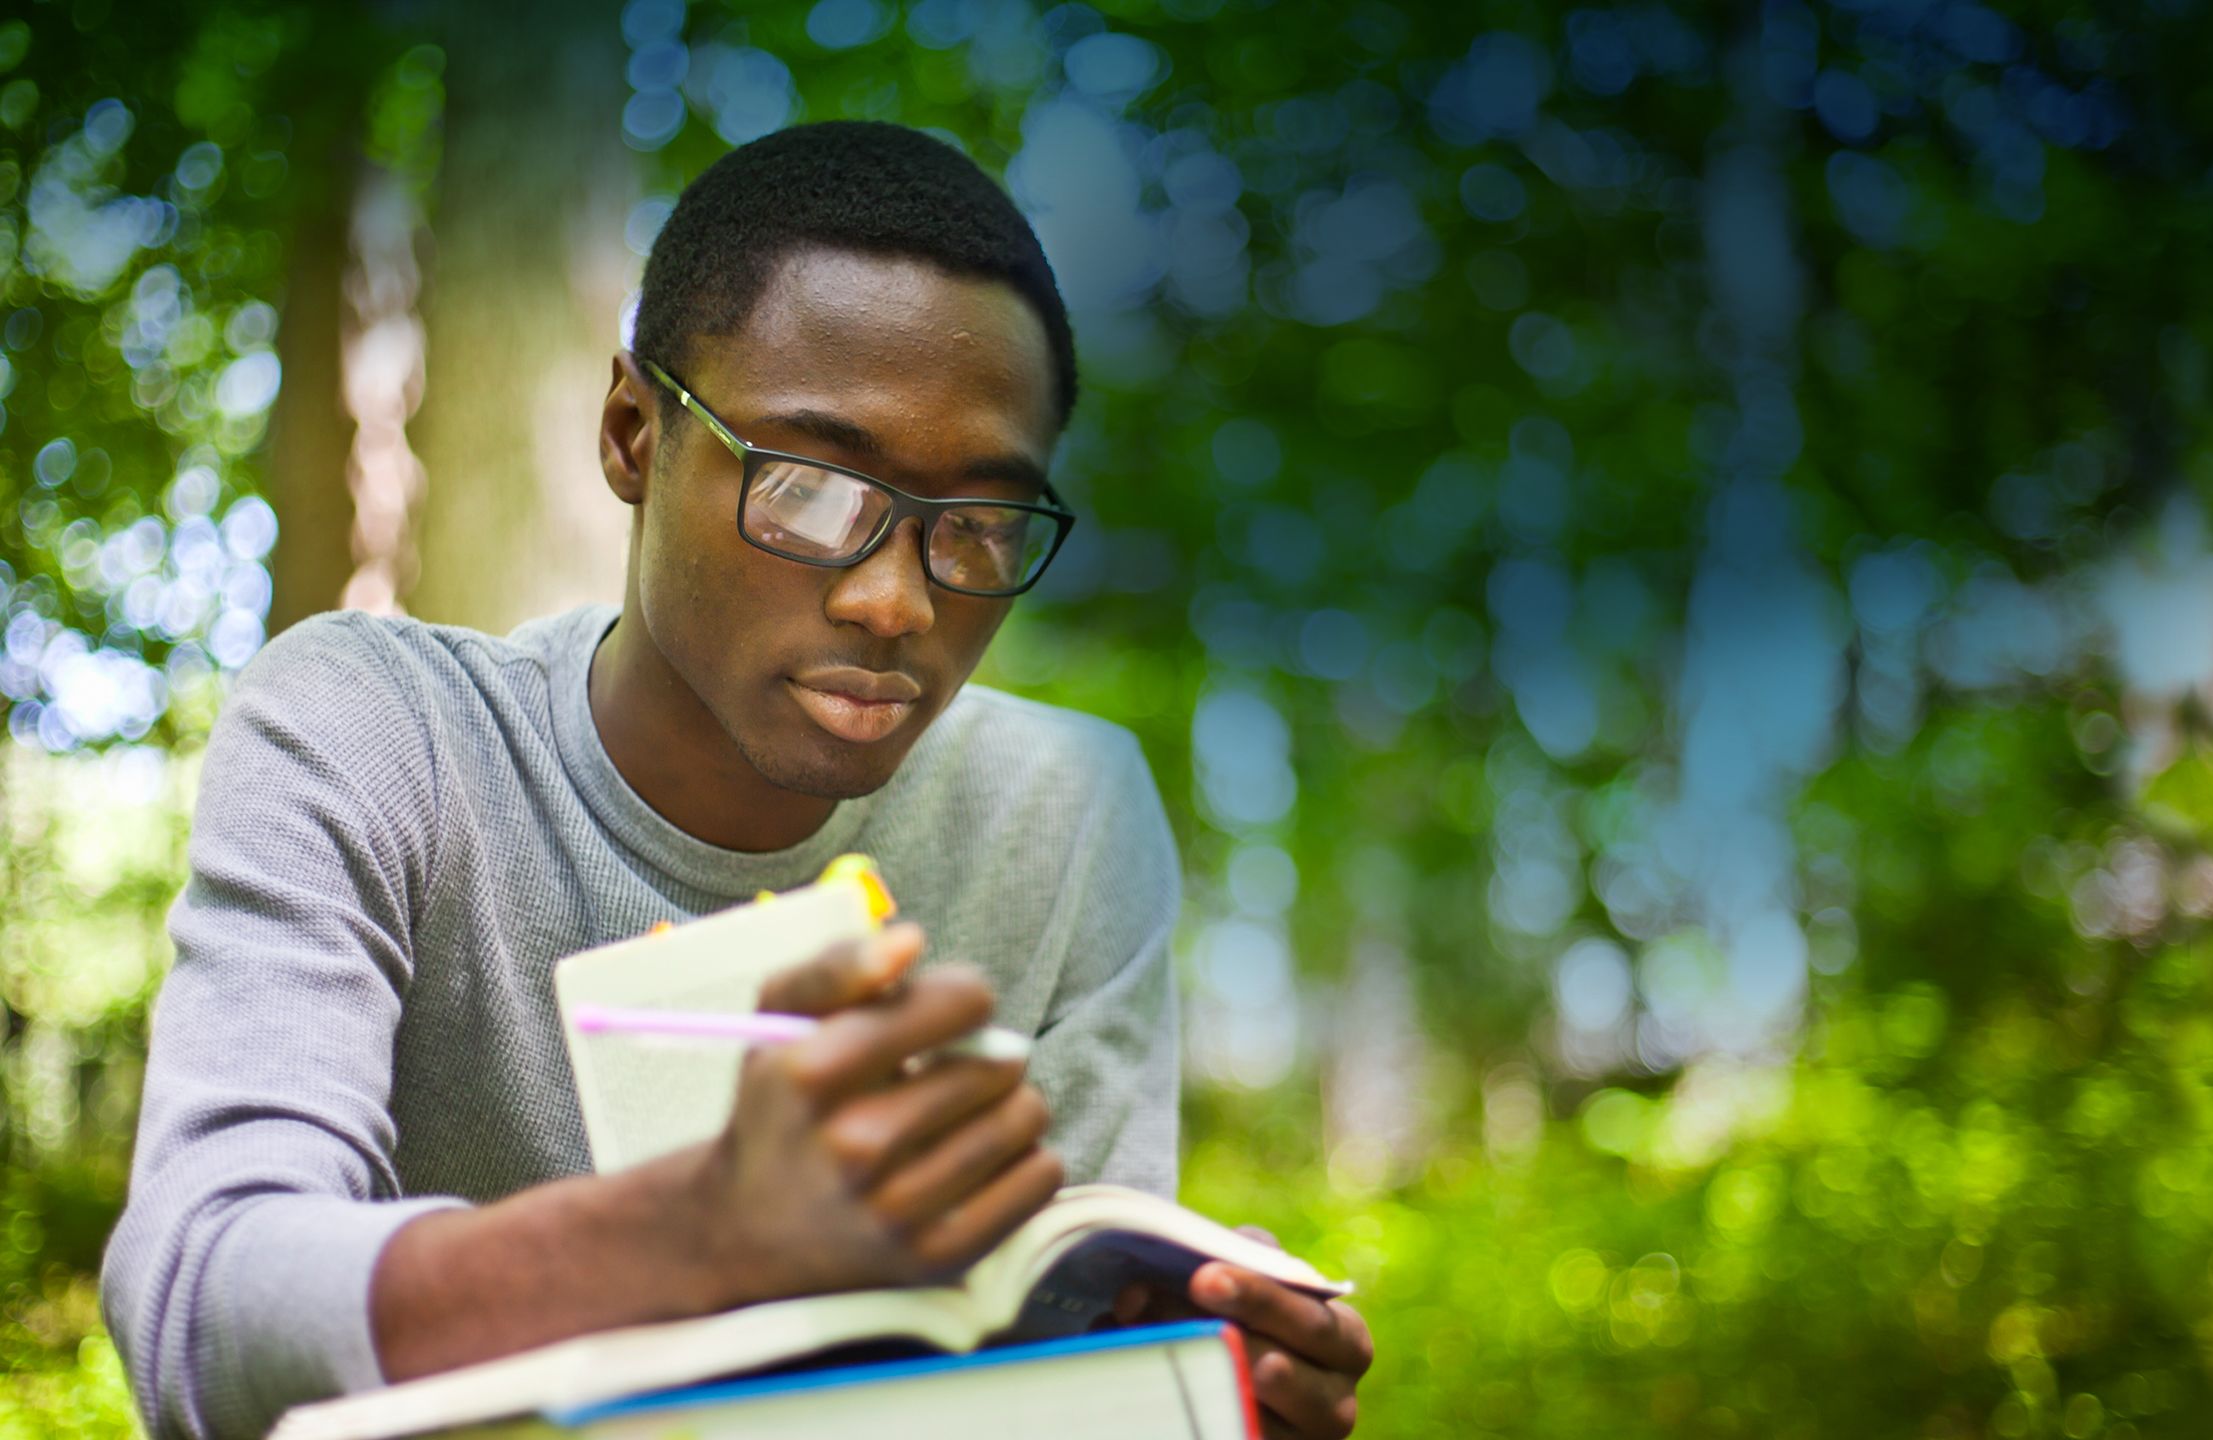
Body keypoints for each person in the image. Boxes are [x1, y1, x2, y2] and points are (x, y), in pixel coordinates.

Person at [102, 120, 1371, 1440]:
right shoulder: (380, 729)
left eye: (981, 525)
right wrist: (688, 1239)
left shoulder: (1065, 815)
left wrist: (1187, 1384)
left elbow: (1039, 1357)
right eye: (812, 489)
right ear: (633, 435)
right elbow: (198, 1305)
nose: (894, 602)